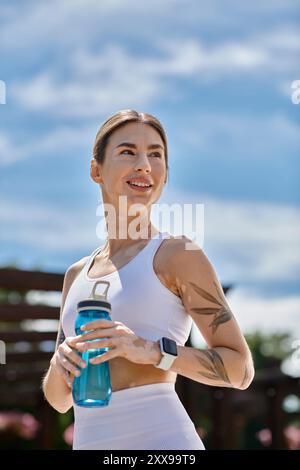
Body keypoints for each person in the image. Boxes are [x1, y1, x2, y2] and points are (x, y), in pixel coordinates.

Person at [42, 109, 255, 450]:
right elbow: (59, 399)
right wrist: (60, 363)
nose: (144, 164)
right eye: (128, 152)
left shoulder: (178, 255)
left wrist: (151, 351)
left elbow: (240, 371)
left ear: (165, 174)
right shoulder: (76, 275)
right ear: (96, 170)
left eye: (155, 154)